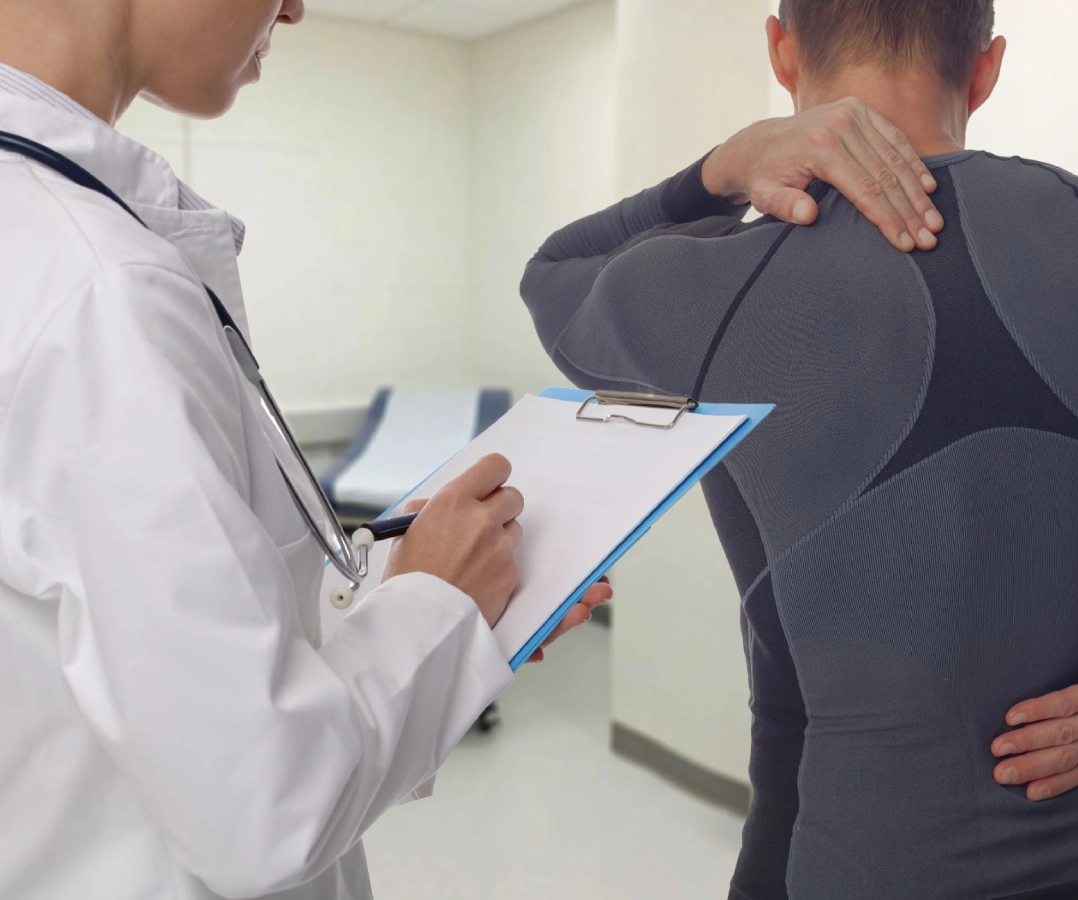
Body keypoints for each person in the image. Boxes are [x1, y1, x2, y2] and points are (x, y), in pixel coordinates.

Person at [520, 1, 1078, 897]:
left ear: (782, 54)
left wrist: (724, 167)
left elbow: (551, 270)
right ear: (987, 67)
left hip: (826, 864)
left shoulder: (695, 284)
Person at [0, 2, 619, 899]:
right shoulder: (100, 288)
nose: (294, 6)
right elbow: (263, 805)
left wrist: (415, 611)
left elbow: (103, 643)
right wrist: (435, 610)